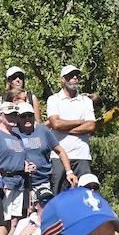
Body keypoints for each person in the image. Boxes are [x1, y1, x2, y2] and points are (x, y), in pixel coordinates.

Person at [45, 65, 96, 193]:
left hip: (82, 155)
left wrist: (65, 128)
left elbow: (91, 126)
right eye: (70, 76)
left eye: (76, 76)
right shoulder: (54, 100)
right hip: (58, 155)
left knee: (85, 193)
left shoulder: (86, 101)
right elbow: (55, 124)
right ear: (63, 79)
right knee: (58, 193)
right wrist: (79, 122)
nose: (74, 78)